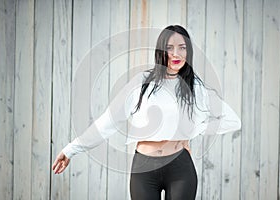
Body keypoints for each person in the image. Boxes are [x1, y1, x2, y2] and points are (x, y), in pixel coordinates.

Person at [52, 25, 241, 200]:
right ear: (161, 51)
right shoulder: (141, 83)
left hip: (180, 168)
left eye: (182, 47)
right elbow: (108, 121)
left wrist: (193, 130)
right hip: (144, 168)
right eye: (170, 47)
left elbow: (233, 120)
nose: (176, 53)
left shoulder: (195, 87)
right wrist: (70, 150)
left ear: (188, 51)